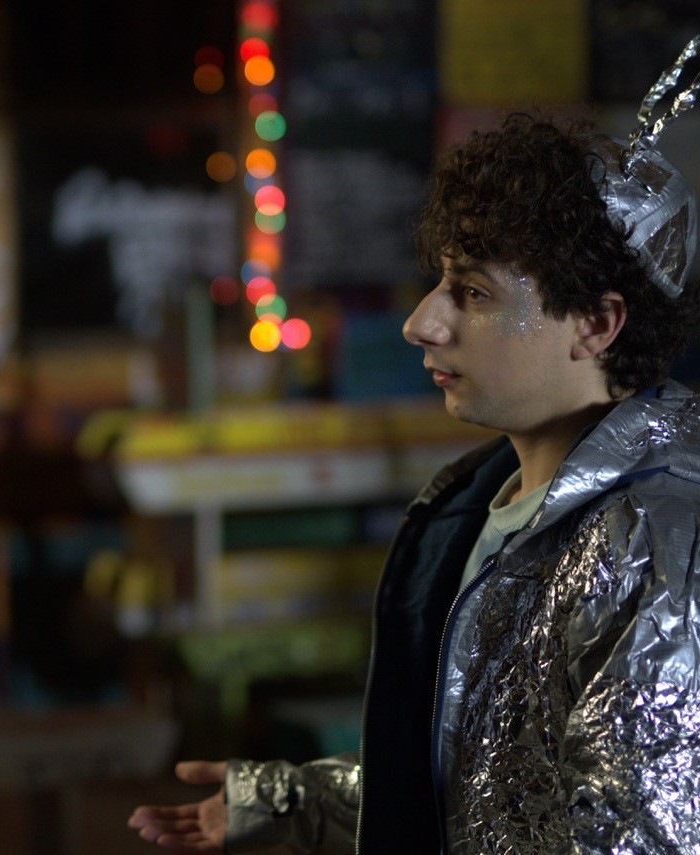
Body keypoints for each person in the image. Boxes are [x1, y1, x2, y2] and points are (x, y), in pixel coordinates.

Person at [129, 42, 700, 855]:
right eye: (440, 282)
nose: (422, 322)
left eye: (473, 293)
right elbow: (482, 777)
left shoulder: (660, 541)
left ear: (597, 324)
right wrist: (296, 804)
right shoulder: (479, 502)